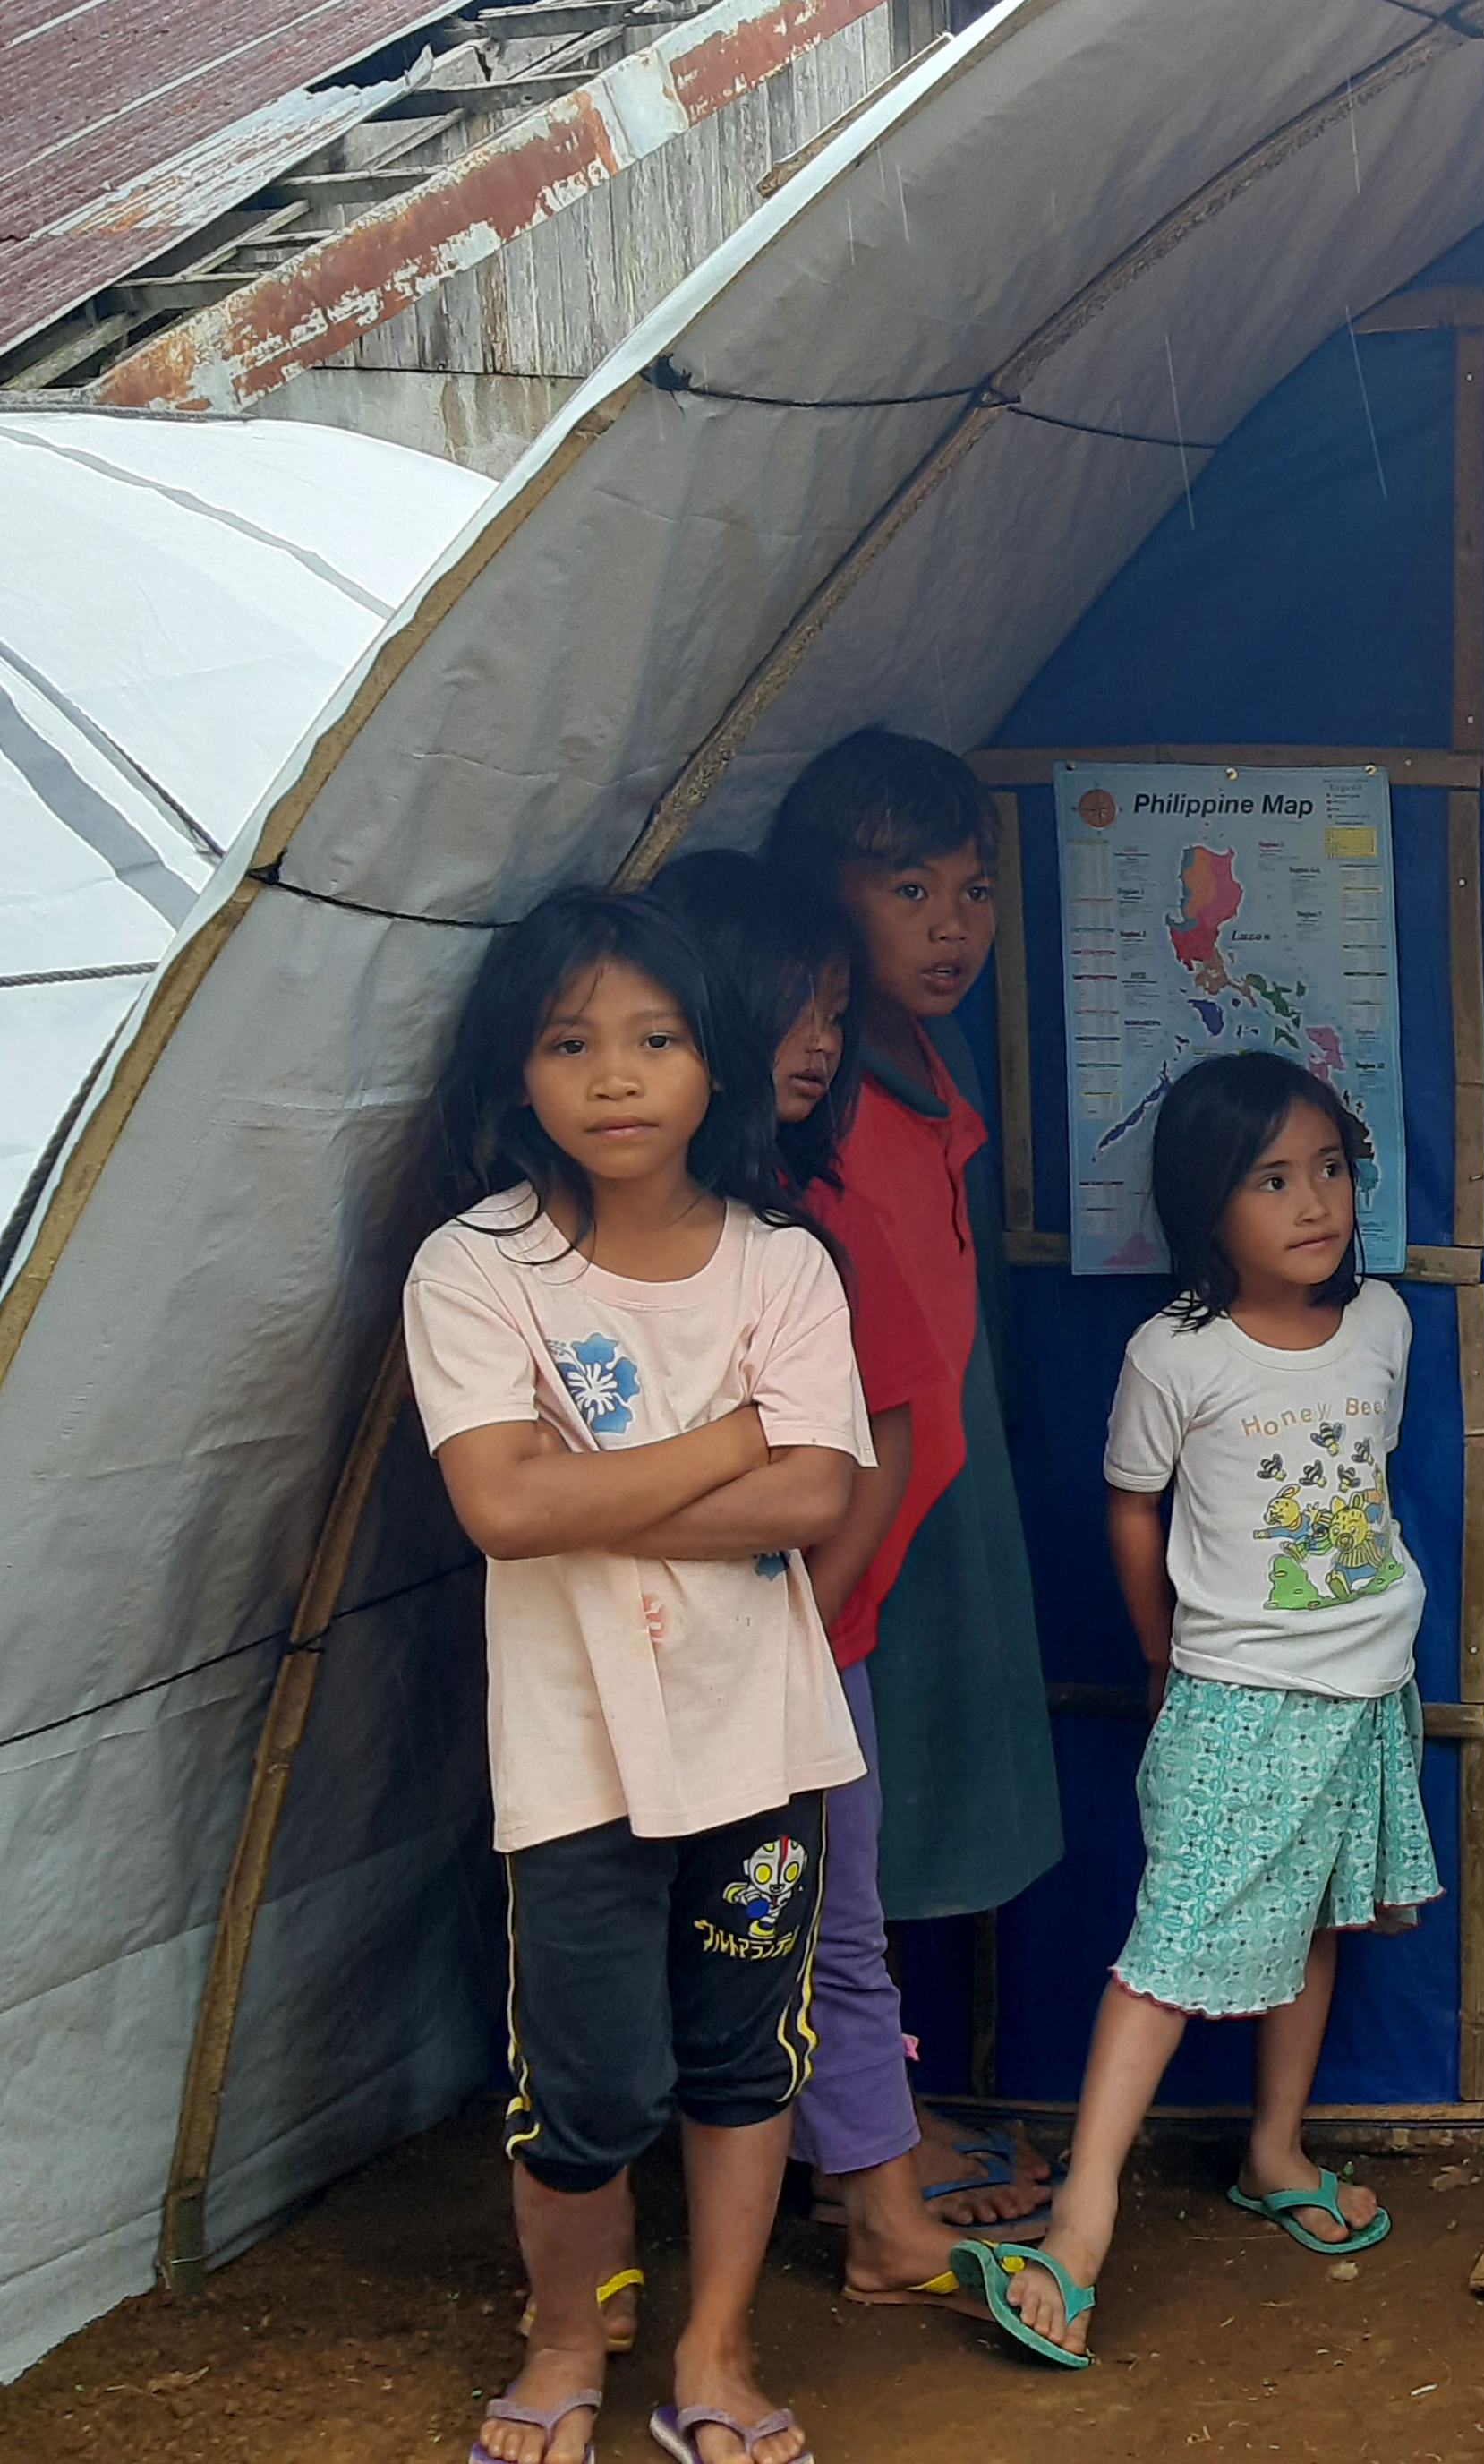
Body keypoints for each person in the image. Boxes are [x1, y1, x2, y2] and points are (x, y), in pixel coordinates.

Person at [403, 888, 870, 2464]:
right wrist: (736, 1435)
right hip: (576, 1753)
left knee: (747, 2062)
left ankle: (716, 2354)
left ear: (714, 1064)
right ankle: (560, 2338)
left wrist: (598, 1478)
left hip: (762, 1742)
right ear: (512, 1073)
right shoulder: (478, 1269)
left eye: (654, 1038)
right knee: (587, 2085)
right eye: (569, 1041)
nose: (614, 1076)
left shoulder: (782, 1265)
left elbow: (820, 1500)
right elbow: (500, 1508)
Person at [953, 1052, 1442, 2367]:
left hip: (1367, 1680)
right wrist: (1163, 1654)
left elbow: (1369, 1486)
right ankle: (1080, 2229)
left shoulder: (1387, 1322)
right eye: (1271, 1179)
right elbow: (1132, 1503)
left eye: (1330, 1169)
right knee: (1167, 1953)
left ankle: (1275, 2152)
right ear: (1203, 1206)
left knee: (1321, 1913)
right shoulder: (1175, 1352)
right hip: (1238, 1699)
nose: (1313, 1203)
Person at [650, 850, 1018, 2318]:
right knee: (651, 1943)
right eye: (795, 1011)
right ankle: (616, 2243)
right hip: (655, 1657)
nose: (821, 1041)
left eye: (830, 1013)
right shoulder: (617, 1238)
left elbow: (887, 1438)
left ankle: (875, 2211)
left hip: (799, 1646)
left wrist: (801, 1626)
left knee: (822, 1929)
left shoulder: (807, 1227)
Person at [763, 732, 1063, 2218]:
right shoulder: (821, 1110)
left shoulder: (915, 1070)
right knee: (843, 1867)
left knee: (889, 1847)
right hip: (870, 1525)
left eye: (975, 889)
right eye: (909, 889)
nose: (955, 924)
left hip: (934, 1495)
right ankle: (854, 2157)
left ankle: (880, 2120)